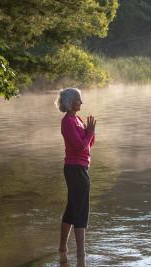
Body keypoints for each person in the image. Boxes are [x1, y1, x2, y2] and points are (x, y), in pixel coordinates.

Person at [55, 88, 96, 258]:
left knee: (73, 207)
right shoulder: (68, 122)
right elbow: (79, 146)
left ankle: (62, 248)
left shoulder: (77, 119)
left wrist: (90, 132)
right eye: (79, 100)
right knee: (81, 210)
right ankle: (81, 253)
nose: (81, 102)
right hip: (75, 169)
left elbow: (88, 145)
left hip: (80, 168)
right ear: (71, 102)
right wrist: (89, 133)